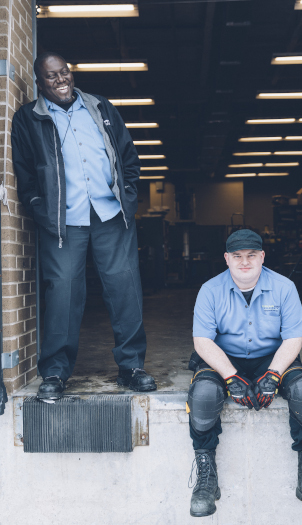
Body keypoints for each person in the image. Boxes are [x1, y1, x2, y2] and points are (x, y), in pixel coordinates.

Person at [11, 52, 156, 401]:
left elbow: (127, 154)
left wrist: (130, 198)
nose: (60, 80)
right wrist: (39, 211)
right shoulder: (28, 119)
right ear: (38, 82)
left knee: (125, 288)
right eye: (51, 76)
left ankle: (132, 366)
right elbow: (25, 174)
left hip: (110, 215)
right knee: (63, 293)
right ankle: (56, 372)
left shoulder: (100, 107)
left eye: (64, 73)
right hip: (63, 221)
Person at [187, 229, 302, 518]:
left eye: (251, 256)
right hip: (224, 356)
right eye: (238, 256)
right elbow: (202, 341)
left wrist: (274, 374)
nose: (245, 262)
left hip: (273, 356)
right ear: (227, 259)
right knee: (203, 395)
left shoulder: (284, 287)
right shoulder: (209, 290)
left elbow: (293, 339)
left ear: (262, 257)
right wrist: (230, 376)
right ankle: (206, 481)